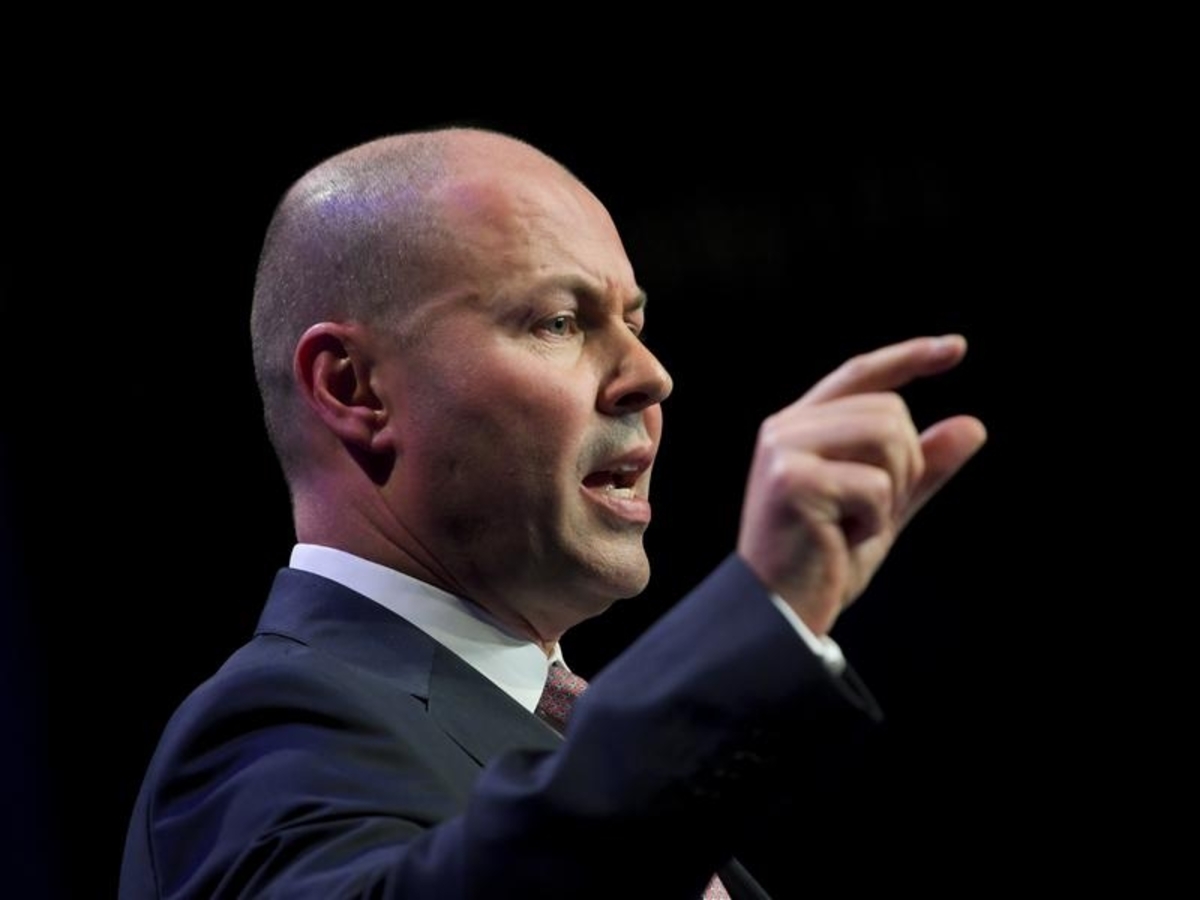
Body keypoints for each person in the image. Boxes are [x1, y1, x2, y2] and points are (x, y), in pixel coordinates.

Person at [119, 126, 987, 899]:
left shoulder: (572, 745)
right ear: (354, 388)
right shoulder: (269, 727)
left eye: (636, 321)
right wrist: (761, 622)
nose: (650, 375)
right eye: (561, 322)